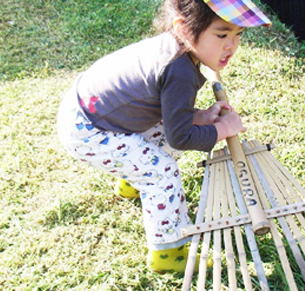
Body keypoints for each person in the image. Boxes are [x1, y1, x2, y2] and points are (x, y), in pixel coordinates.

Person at [57, 0, 271, 273]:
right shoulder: (178, 70)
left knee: (161, 141)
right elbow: (180, 137)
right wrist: (224, 130)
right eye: (221, 34)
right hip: (89, 129)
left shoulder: (176, 49)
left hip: (95, 112)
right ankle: (167, 252)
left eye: (238, 34)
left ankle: (132, 182)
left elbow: (172, 118)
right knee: (161, 171)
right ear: (183, 28)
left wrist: (201, 118)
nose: (231, 46)